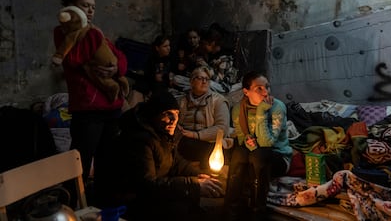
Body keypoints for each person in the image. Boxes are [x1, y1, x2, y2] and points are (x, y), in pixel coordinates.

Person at [93, 91, 224, 220]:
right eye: (167, 114)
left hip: (149, 192)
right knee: (181, 208)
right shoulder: (140, 140)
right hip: (127, 198)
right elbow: (146, 185)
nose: (174, 120)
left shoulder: (164, 134)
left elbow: (175, 162)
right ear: (154, 115)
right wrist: (192, 183)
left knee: (191, 202)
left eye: (176, 114)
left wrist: (198, 175)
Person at [53, 0, 128, 184]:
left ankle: (101, 204)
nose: (90, 11)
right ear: (71, 9)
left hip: (112, 107)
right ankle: (73, 202)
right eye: (84, 6)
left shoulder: (96, 33)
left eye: (93, 7)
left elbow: (120, 58)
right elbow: (75, 60)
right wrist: (93, 36)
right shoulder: (63, 34)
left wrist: (115, 70)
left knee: (108, 159)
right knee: (80, 161)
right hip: (87, 110)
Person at [224, 70, 292, 219]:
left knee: (258, 155)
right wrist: (249, 142)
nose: (265, 92)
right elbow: (242, 139)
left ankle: (257, 211)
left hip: (278, 156)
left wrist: (261, 111)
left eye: (267, 87)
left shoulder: (277, 107)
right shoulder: (238, 110)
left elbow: (267, 143)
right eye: (258, 88)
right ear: (246, 92)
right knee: (238, 153)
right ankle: (230, 211)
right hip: (251, 154)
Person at [177, 66, 233, 169]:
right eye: (200, 78)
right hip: (185, 139)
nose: (204, 82)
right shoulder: (182, 101)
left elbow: (222, 128)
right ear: (192, 82)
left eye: (207, 79)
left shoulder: (218, 101)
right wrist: (178, 127)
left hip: (208, 141)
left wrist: (195, 135)